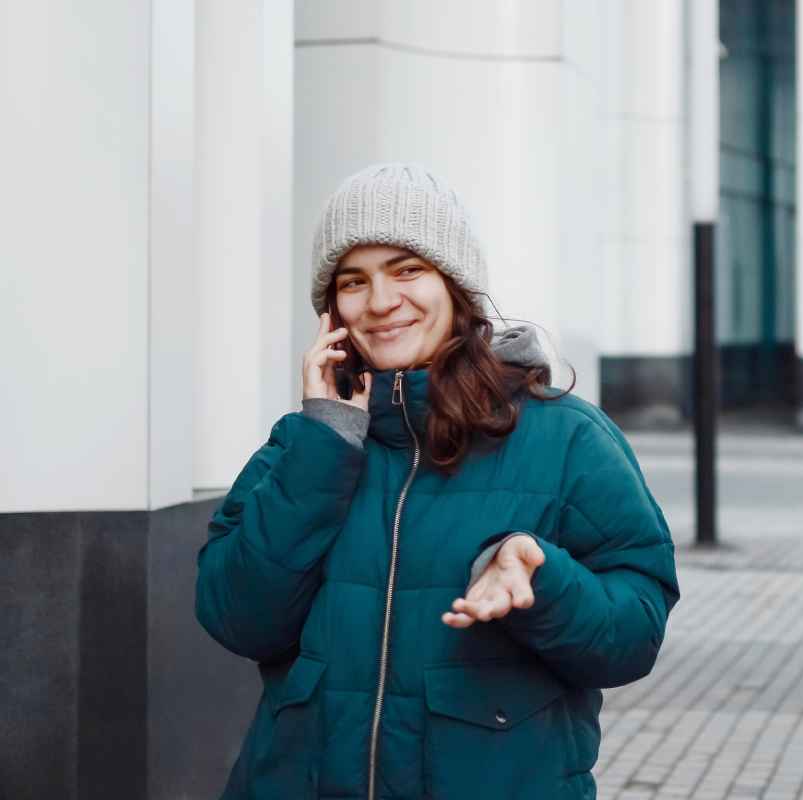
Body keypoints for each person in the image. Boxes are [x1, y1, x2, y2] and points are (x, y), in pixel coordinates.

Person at [194, 162, 680, 800]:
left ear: (455, 286)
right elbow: (239, 619)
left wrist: (543, 582)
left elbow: (633, 634)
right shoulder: (303, 443)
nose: (380, 302)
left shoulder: (567, 439)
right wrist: (326, 442)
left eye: (406, 270)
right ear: (330, 311)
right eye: (353, 281)